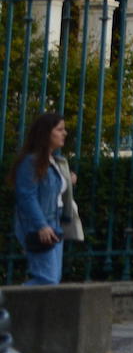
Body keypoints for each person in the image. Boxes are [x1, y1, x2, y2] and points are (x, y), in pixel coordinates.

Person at [10, 113, 71, 285]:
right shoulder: (31, 161)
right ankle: (6, 304)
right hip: (41, 224)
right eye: (59, 129)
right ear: (45, 133)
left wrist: (68, 180)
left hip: (55, 223)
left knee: (52, 280)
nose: (64, 133)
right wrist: (41, 225)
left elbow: (52, 190)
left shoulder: (53, 161)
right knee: (48, 280)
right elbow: (26, 196)